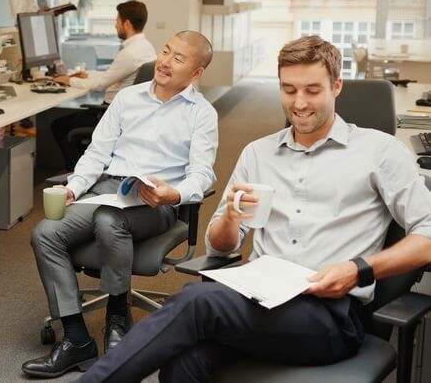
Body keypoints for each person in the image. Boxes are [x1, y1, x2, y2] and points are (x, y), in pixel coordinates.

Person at [81, 35, 431, 383]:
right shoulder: (257, 153)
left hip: (328, 316)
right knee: (182, 367)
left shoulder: (379, 152)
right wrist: (232, 218)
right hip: (260, 301)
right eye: (289, 89)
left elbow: (428, 234)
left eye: (312, 90)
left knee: (195, 302)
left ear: (336, 86)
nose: (299, 103)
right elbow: (220, 246)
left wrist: (358, 270)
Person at [22, 31, 218, 378]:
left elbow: (202, 173)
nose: (165, 61)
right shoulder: (128, 98)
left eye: (178, 59)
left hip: (154, 200)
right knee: (45, 233)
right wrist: (75, 187)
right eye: (166, 51)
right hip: (109, 189)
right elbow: (97, 152)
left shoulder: (201, 114)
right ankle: (77, 339)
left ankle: (117, 317)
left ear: (196, 73)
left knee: (109, 222)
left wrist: (173, 194)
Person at [51, 0, 157, 169]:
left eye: (117, 21)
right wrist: (87, 75)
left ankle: (78, 174)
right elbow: (113, 75)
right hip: (127, 114)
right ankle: (88, 168)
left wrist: (69, 80)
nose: (115, 26)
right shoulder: (146, 48)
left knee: (58, 125)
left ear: (127, 24)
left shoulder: (130, 53)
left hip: (110, 115)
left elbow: (101, 84)